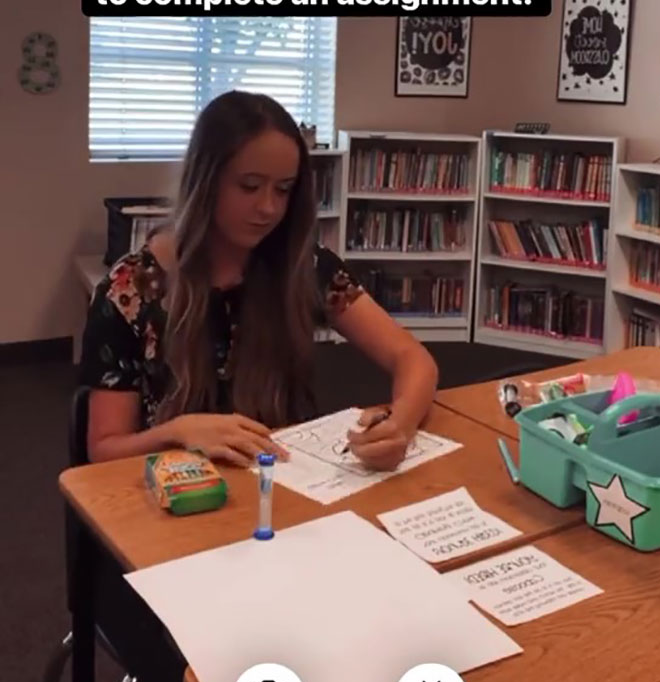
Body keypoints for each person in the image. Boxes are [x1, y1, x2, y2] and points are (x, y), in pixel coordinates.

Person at [79, 90, 438, 471]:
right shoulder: (129, 289)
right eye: (249, 186)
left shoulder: (304, 265)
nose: (268, 208)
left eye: (283, 189)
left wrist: (400, 425)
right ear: (205, 181)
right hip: (180, 489)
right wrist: (178, 433)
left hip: (286, 481)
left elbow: (412, 358)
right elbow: (104, 450)